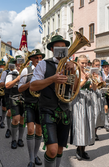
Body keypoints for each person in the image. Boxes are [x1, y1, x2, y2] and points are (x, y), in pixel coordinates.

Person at [30, 35, 75, 167]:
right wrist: (52, 79)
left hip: (65, 110)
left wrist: (73, 72)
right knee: (52, 150)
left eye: (64, 47)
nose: (62, 49)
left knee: (60, 149)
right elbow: (33, 86)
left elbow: (74, 87)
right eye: (58, 47)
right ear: (51, 49)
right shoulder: (44, 64)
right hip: (48, 110)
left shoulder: (70, 65)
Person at [18, 49, 45, 167]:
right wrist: (30, 83)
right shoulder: (26, 70)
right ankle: (31, 160)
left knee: (39, 130)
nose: (38, 60)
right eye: (36, 58)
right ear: (31, 59)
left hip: (41, 103)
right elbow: (19, 88)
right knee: (30, 130)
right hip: (29, 103)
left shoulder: (45, 70)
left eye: (40, 58)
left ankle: (35, 155)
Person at [70, 55, 96, 160]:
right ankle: (79, 149)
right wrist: (85, 80)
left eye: (86, 63)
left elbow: (94, 89)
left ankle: (83, 150)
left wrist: (93, 80)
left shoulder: (87, 73)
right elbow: (74, 88)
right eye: (82, 63)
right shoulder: (75, 73)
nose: (84, 65)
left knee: (88, 124)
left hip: (88, 99)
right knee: (80, 124)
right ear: (78, 63)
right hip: (78, 100)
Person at [5, 53, 25, 149]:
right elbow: (7, 85)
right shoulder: (11, 73)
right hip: (14, 98)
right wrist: (17, 79)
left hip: (24, 99)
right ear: (15, 63)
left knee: (22, 119)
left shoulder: (26, 72)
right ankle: (13, 139)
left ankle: (20, 139)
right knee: (16, 119)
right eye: (18, 62)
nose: (19, 64)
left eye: (21, 62)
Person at [91, 59, 105, 141]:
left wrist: (101, 80)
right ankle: (92, 132)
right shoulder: (89, 73)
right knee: (93, 114)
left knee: (98, 114)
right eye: (96, 65)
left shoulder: (100, 74)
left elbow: (102, 85)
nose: (97, 66)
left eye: (98, 65)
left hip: (99, 96)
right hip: (92, 95)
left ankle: (95, 132)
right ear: (93, 65)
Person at [0, 59, 12, 138]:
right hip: (8, 94)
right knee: (9, 112)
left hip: (20, 94)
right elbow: (1, 84)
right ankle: (9, 129)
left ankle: (19, 137)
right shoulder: (5, 72)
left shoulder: (22, 71)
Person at [101, 61, 109, 132]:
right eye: (105, 67)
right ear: (103, 67)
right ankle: (106, 123)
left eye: (107, 66)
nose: (106, 68)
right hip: (103, 92)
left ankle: (106, 117)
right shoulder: (101, 74)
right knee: (105, 107)